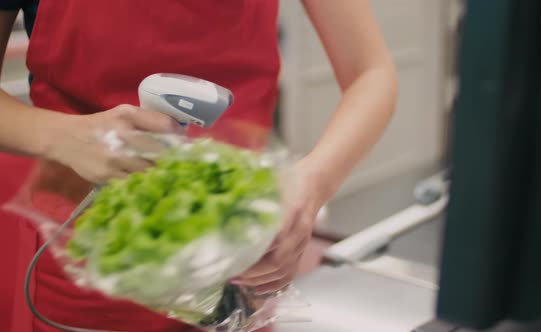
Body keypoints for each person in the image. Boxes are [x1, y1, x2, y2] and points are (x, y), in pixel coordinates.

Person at [0, 1, 398, 331]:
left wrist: (311, 184)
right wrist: (61, 134)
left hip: (239, 266)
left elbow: (371, 71)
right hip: (89, 269)